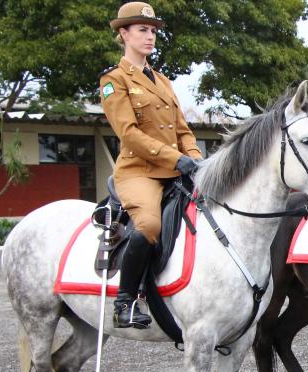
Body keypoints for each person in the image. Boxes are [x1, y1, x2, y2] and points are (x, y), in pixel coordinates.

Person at [100, 2, 203, 329]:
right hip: (138, 172)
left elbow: (183, 129)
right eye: (142, 30)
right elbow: (129, 135)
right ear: (123, 34)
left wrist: (196, 160)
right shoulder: (113, 80)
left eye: (153, 31)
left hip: (177, 169)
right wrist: (177, 159)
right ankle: (125, 302)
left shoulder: (163, 81)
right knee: (148, 226)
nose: (150, 36)